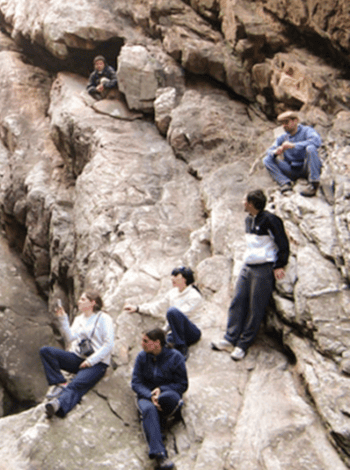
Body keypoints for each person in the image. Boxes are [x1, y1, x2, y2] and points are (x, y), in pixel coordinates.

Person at [211, 189, 289, 361]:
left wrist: (279, 264)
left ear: (251, 204)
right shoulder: (248, 220)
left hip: (264, 268)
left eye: (244, 200)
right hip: (248, 266)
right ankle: (230, 339)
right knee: (237, 301)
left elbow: (282, 242)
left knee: (256, 307)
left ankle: (243, 345)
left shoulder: (270, 220)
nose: (242, 202)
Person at [39, 291, 115, 418]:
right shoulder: (79, 319)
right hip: (78, 358)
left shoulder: (104, 318)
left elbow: (109, 345)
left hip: (98, 363)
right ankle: (59, 383)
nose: (79, 301)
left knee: (76, 384)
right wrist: (63, 318)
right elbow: (70, 338)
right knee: (46, 351)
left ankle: (58, 405)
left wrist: (90, 361)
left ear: (92, 303)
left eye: (83, 299)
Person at [131, 328, 188, 470]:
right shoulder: (141, 357)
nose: (142, 344)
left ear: (157, 343)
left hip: (168, 394)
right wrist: (150, 395)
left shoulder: (175, 357)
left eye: (145, 341)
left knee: (167, 399)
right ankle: (160, 454)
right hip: (147, 396)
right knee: (149, 409)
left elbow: (182, 384)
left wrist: (161, 390)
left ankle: (163, 420)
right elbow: (136, 383)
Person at [124, 266, 203, 358]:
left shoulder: (195, 296)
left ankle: (182, 347)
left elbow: (181, 315)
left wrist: (165, 330)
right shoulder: (172, 293)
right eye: (172, 275)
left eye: (176, 275)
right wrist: (138, 308)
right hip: (175, 332)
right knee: (158, 347)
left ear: (184, 279)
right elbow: (158, 307)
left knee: (172, 311)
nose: (172, 278)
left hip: (191, 332)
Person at [262, 110, 322, 197]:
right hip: (292, 168)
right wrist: (275, 152)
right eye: (282, 123)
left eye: (286, 122)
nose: (284, 126)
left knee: (311, 148)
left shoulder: (307, 130)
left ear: (295, 121)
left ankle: (314, 184)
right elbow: (270, 150)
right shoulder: (283, 137)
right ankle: (285, 183)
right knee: (267, 159)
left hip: (307, 166)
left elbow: (316, 141)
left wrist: (294, 145)